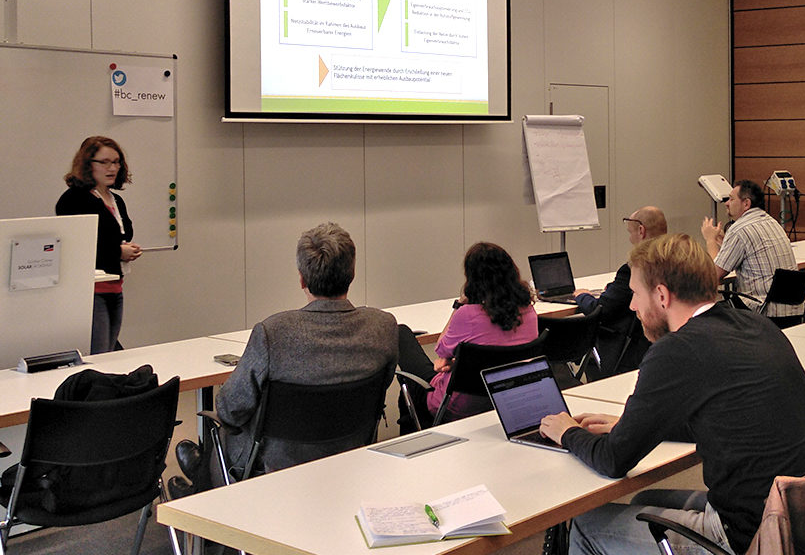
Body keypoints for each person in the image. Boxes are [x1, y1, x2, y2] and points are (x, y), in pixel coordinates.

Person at [538, 234, 805, 555]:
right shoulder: (755, 325)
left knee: (586, 525)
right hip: (802, 520)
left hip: (750, 538)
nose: (632, 305)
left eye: (635, 294)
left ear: (661, 295)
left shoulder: (677, 350)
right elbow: (717, 419)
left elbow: (613, 459)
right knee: (645, 500)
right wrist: (630, 424)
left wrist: (568, 433)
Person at [174, 222, 398, 493]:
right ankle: (199, 486)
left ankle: (199, 494)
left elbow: (230, 410)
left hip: (274, 466)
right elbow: (382, 386)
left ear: (302, 279)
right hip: (349, 451)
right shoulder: (383, 327)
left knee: (221, 433)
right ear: (352, 273)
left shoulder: (273, 333)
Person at [397, 242, 538, 429]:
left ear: (472, 278)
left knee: (401, 335)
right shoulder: (529, 312)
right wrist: (458, 361)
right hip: (507, 400)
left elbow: (440, 348)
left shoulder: (468, 314)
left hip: (457, 406)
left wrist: (459, 306)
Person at [55, 136, 142, 354]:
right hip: (90, 290)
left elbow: (120, 235)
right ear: (88, 164)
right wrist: (118, 252)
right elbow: (78, 246)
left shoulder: (115, 199)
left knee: (110, 353)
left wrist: (126, 249)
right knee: (98, 355)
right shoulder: (74, 200)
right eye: (104, 162)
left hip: (115, 286)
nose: (112, 168)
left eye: (116, 162)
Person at [574, 206, 666, 376]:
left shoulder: (635, 267)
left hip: (630, 352)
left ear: (641, 230)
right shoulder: (671, 259)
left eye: (629, 232)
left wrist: (582, 296)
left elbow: (601, 310)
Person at [701, 180, 799, 325]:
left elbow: (713, 276)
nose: (726, 203)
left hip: (761, 310)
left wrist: (710, 240)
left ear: (746, 204)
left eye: (731, 199)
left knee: (705, 315)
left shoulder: (739, 229)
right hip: (793, 309)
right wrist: (724, 244)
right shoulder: (772, 222)